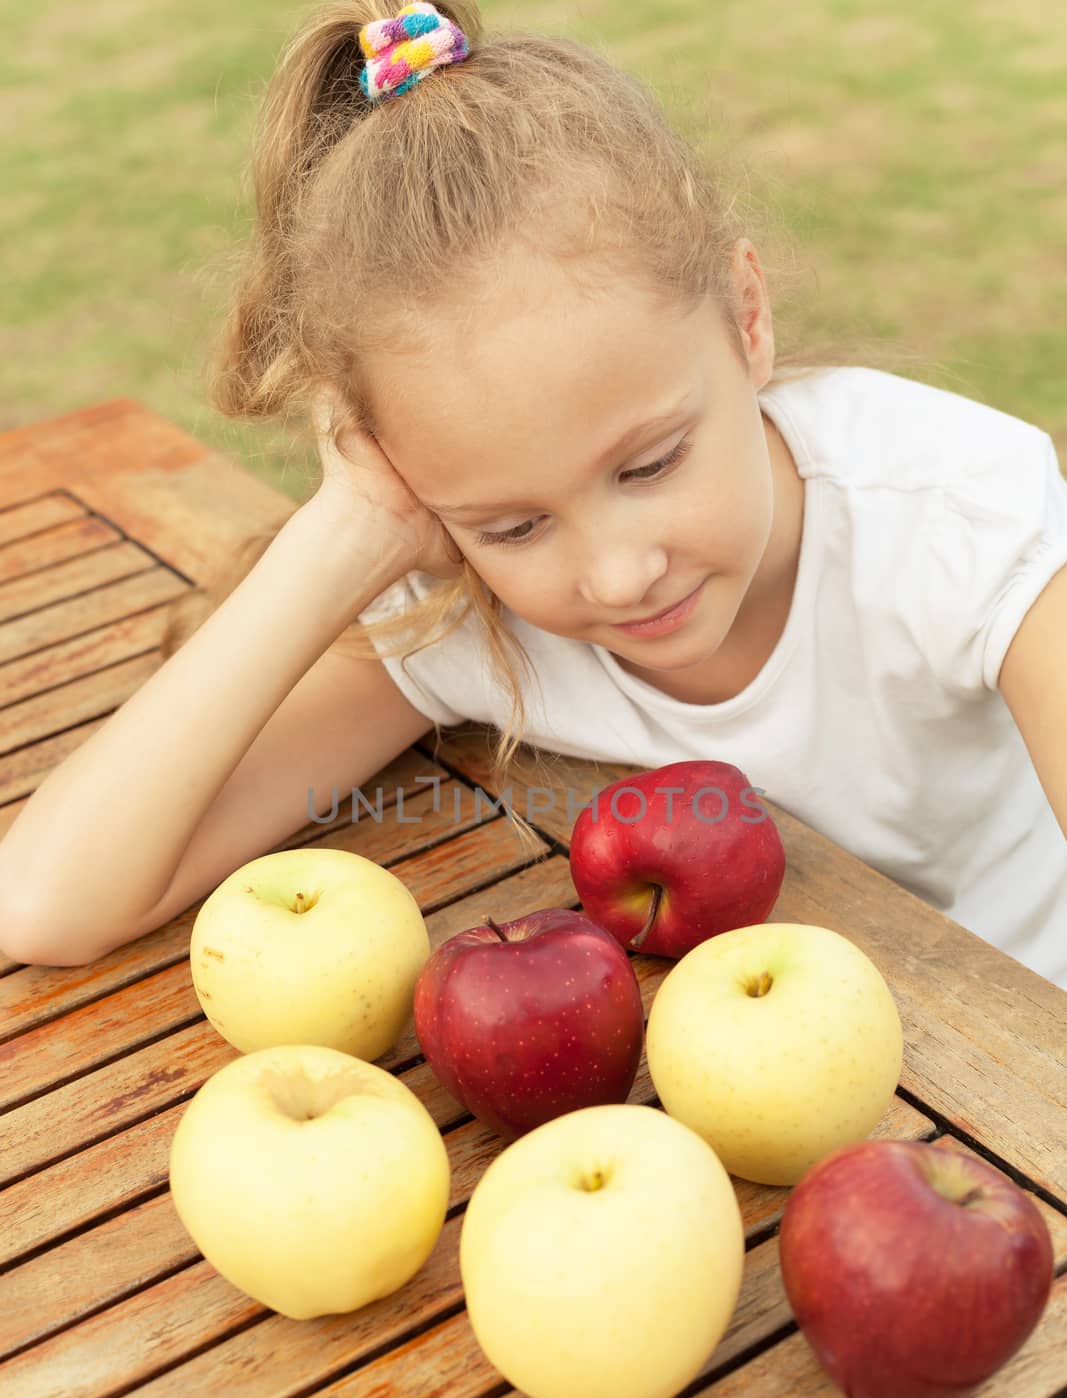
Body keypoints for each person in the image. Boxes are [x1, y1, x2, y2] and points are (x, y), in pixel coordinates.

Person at [1, 0, 1065, 991]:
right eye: (511, 523)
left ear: (746, 316)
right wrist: (347, 532)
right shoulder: (466, 605)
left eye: (649, 464)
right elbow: (46, 903)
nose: (615, 573)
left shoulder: (951, 519)